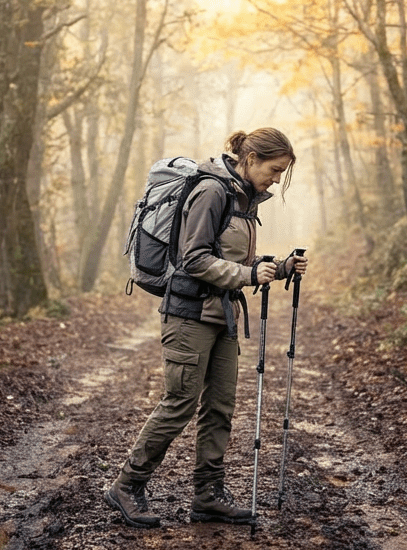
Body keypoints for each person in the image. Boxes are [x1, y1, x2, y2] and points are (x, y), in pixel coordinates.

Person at [105, 127, 309, 528]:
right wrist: (249, 275)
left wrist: (280, 268)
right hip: (189, 314)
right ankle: (127, 485)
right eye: (275, 169)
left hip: (223, 315)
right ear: (250, 159)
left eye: (282, 173)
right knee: (180, 402)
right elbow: (193, 258)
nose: (277, 179)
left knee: (220, 407)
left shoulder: (243, 197)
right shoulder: (213, 191)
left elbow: (232, 257)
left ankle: (208, 495)